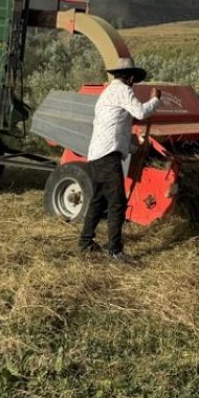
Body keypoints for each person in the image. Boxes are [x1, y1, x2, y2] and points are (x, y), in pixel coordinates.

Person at [79, 56, 162, 263]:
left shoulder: (108, 92)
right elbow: (141, 113)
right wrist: (156, 99)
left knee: (98, 201)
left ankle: (86, 242)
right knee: (117, 202)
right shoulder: (122, 91)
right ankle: (115, 252)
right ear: (130, 77)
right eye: (134, 79)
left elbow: (116, 129)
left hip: (98, 154)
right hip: (108, 156)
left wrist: (135, 147)